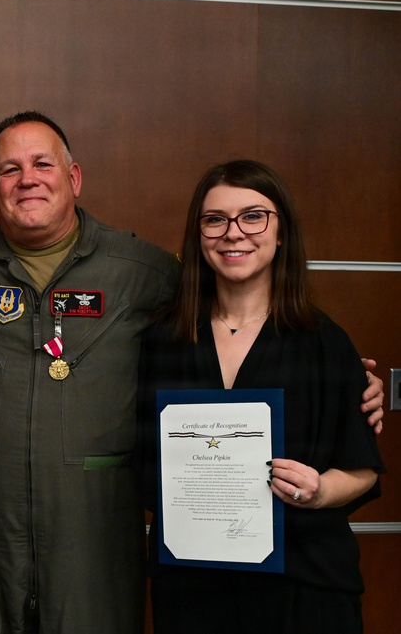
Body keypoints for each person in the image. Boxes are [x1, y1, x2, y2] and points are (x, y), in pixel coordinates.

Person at [0, 111, 385, 634]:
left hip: (166, 552)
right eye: (10, 168)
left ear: (74, 178)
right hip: (9, 536)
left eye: (43, 163)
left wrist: (348, 381)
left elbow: (351, 451)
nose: (28, 178)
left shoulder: (146, 273)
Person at [137, 160, 383, 633]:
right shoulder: (161, 341)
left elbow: (364, 470)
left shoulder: (324, 342)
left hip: (304, 586)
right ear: (197, 234)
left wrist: (319, 491)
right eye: (215, 220)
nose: (234, 233)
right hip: (192, 586)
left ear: (281, 230)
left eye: (253, 216)